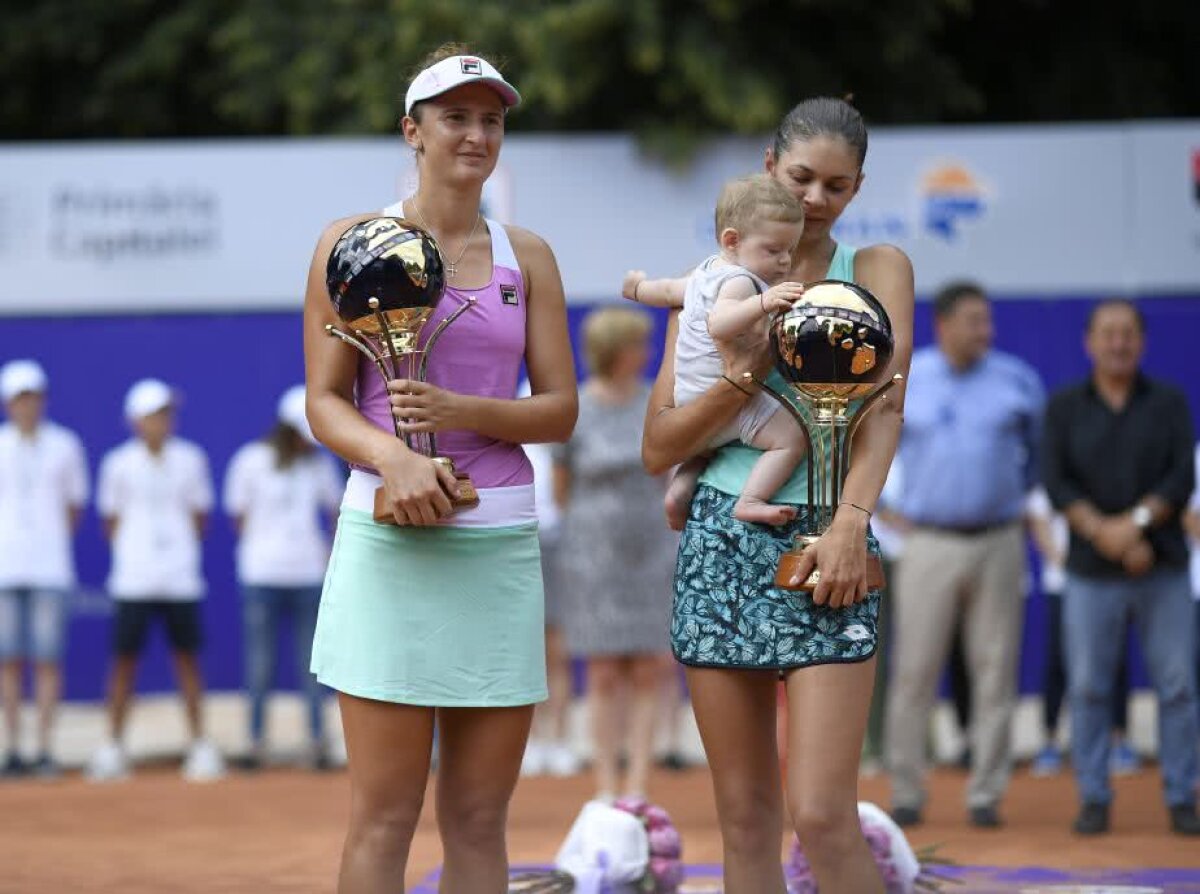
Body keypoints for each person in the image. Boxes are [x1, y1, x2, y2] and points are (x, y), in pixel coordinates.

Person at [303, 45, 577, 893]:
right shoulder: (348, 244)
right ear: (412, 131)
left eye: (491, 120)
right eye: (455, 117)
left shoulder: (529, 256)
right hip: (389, 545)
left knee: (478, 820)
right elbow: (325, 401)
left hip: (496, 545)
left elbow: (559, 411)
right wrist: (394, 459)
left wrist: (462, 411)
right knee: (384, 816)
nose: (476, 134)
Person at [641, 97, 913, 894]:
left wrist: (851, 523)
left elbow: (885, 409)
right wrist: (745, 369)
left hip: (833, 542)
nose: (815, 198)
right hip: (721, 539)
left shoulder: (877, 268)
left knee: (824, 815)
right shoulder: (713, 283)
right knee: (746, 819)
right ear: (769, 167)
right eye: (800, 177)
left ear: (857, 189)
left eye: (837, 185)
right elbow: (659, 446)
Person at [884, 281, 1045, 829]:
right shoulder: (908, 377)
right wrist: (884, 508)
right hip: (928, 542)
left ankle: (986, 793)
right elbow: (866, 443)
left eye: (988, 320)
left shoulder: (1017, 380)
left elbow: (1038, 458)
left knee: (995, 669)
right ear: (944, 325)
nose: (986, 331)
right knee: (914, 670)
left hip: (999, 539)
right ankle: (907, 789)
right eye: (975, 321)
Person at [1042, 298, 1199, 836]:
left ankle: (1181, 796)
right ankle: (1093, 796)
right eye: (1108, 333)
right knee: (1088, 687)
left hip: (1163, 566)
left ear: (1142, 341)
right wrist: (1103, 533)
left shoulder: (1169, 402)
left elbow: (1181, 478)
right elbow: (1056, 481)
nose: (1118, 342)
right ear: (1089, 342)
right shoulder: (1065, 406)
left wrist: (1135, 525)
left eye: (1128, 333)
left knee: (1177, 686)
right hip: (1090, 570)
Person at [626, 174, 807, 528]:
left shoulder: (705, 272)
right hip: (722, 395)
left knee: (708, 446)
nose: (785, 261)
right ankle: (751, 500)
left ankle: (680, 489)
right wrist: (764, 301)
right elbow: (720, 324)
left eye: (790, 250)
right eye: (774, 250)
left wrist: (636, 288)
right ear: (732, 240)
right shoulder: (742, 282)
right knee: (790, 438)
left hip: (690, 398)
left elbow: (667, 291)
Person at [553, 307, 678, 802]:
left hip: (653, 550)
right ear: (614, 351)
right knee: (602, 671)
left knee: (649, 667)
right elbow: (562, 488)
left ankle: (638, 785)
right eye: (635, 344)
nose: (644, 353)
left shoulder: (656, 403)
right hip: (593, 556)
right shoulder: (577, 408)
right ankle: (605, 785)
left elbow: (672, 474)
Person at [87, 378, 225, 782]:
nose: (163, 421)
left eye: (167, 413)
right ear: (136, 421)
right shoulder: (117, 464)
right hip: (133, 580)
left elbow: (200, 517)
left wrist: (175, 551)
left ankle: (199, 746)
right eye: (154, 415)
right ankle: (112, 748)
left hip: (181, 579)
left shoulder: (191, 458)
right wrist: (139, 553)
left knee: (188, 661)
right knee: (124, 662)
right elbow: (110, 522)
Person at [223, 385, 343, 771]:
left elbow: (336, 512)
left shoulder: (320, 465)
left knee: (313, 664)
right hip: (261, 575)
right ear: (287, 430)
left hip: (309, 575)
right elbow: (238, 516)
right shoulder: (250, 461)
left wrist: (322, 553)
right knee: (260, 663)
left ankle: (317, 743)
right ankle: (255, 742)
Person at [0, 360, 88, 778]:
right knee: (8, 661)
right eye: (20, 398)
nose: (27, 405)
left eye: (33, 397)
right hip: (4, 570)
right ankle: (12, 748)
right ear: (8, 403)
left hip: (50, 568)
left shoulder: (65, 445)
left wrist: (46, 543)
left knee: (47, 660)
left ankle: (45, 749)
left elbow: (74, 507)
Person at [1027, 485, 1137, 777]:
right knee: (1058, 662)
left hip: (1108, 580)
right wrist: (1067, 564)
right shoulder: (1055, 475)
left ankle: (1118, 739)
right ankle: (1050, 740)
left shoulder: (1113, 475)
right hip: (1062, 583)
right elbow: (1039, 520)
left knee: (1115, 659)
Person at [517, 379, 581, 779]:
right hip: (515, 547)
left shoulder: (561, 448)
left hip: (556, 547)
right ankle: (531, 741)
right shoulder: (508, 447)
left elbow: (566, 499)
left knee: (556, 648)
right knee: (524, 651)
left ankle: (559, 739)